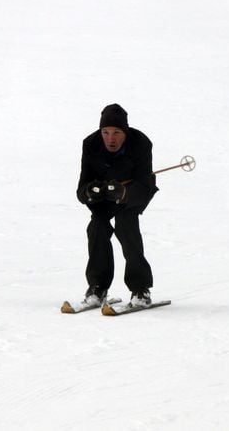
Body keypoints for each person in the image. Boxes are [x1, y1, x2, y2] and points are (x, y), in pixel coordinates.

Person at [76, 104, 158, 308]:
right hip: (103, 198)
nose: (110, 139)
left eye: (116, 133)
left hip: (132, 196)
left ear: (125, 132)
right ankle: (97, 287)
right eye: (105, 132)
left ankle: (141, 289)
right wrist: (90, 191)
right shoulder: (90, 144)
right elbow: (81, 190)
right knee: (97, 227)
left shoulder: (140, 143)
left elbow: (146, 184)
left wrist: (124, 193)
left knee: (126, 224)